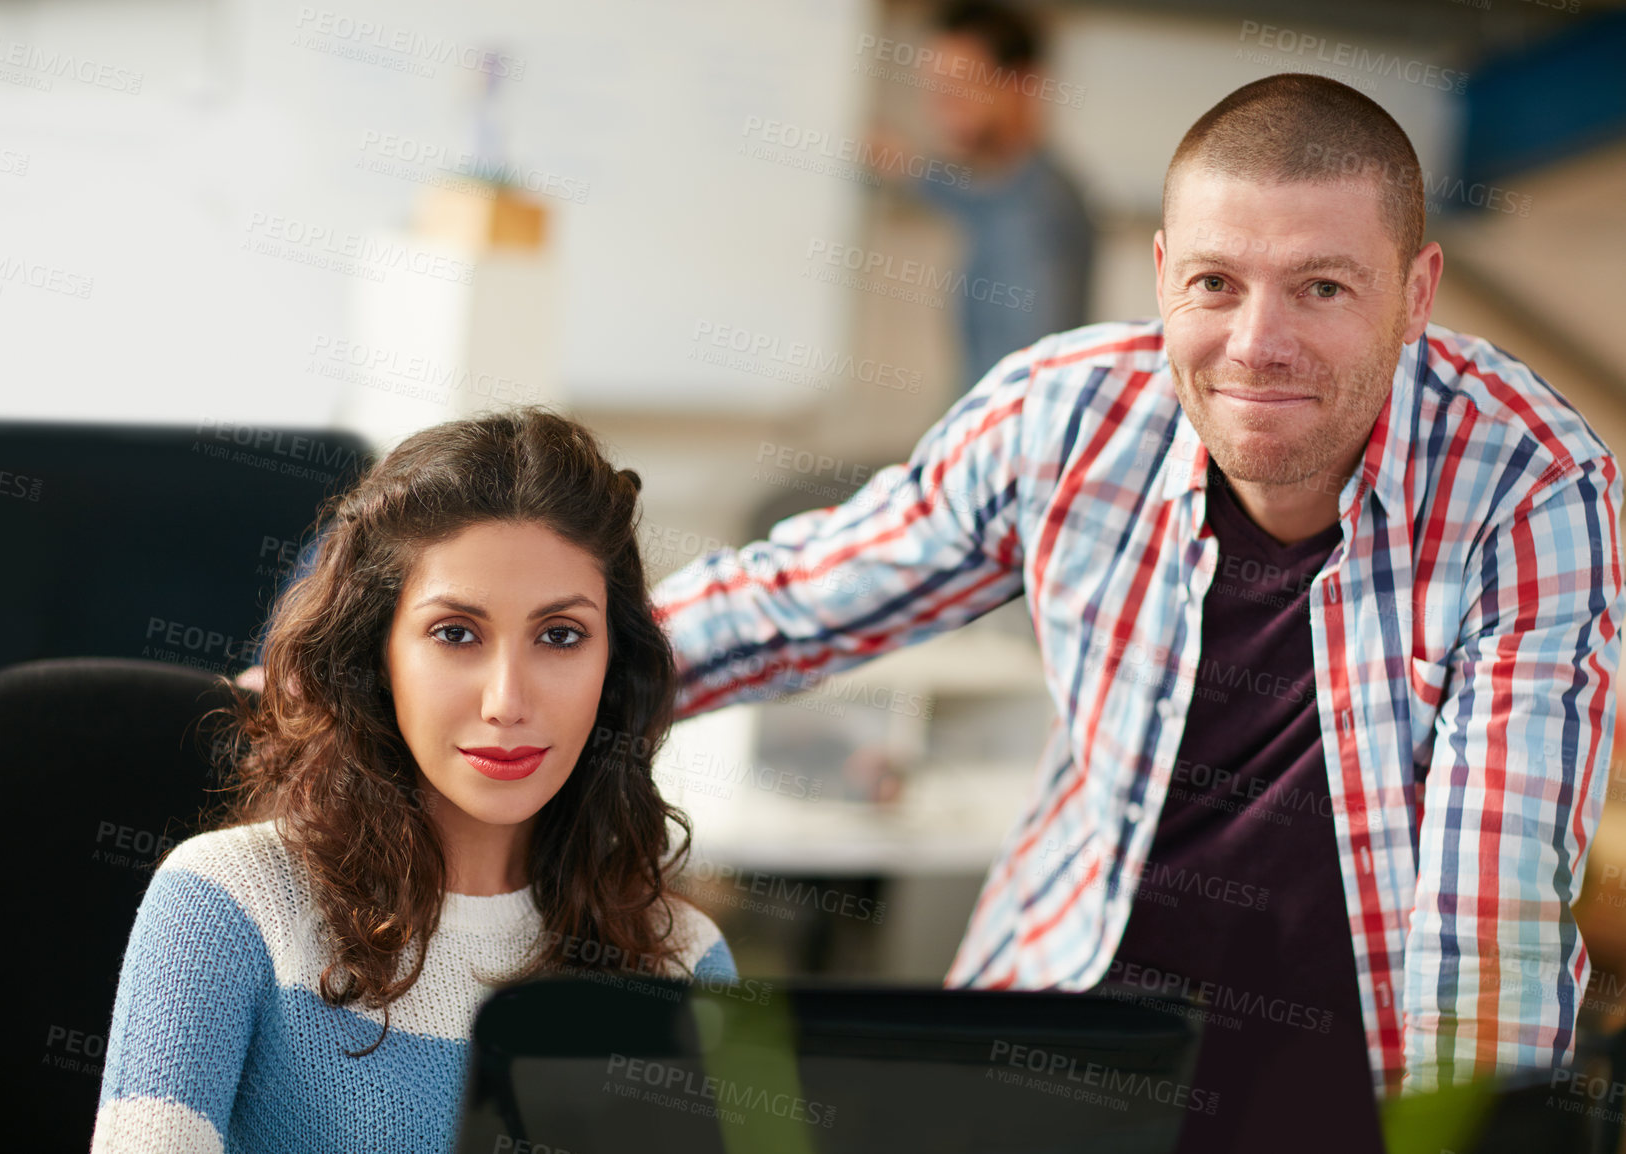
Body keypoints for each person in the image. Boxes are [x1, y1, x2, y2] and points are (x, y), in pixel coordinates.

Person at [653, 73, 1623, 1148]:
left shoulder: (1527, 484)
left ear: (1416, 291)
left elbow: (1486, 912)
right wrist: (532, 673)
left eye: (1321, 288)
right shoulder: (1061, 415)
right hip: (1056, 1052)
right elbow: (790, 603)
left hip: (1358, 1098)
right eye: (1215, 282)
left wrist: (1454, 1136)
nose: (1258, 342)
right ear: (1162, 273)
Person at [93, 411, 736, 1153]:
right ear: (376, 657)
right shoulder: (229, 905)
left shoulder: (681, 955)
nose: (507, 701)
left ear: (613, 665)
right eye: (455, 634)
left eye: (560, 635)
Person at [874, 0, 1094, 392]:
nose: (943, 112)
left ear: (1023, 83)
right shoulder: (1012, 190)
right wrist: (905, 168)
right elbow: (972, 198)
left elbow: (1023, 383)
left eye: (961, 89)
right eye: (936, 91)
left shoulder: (1036, 214)